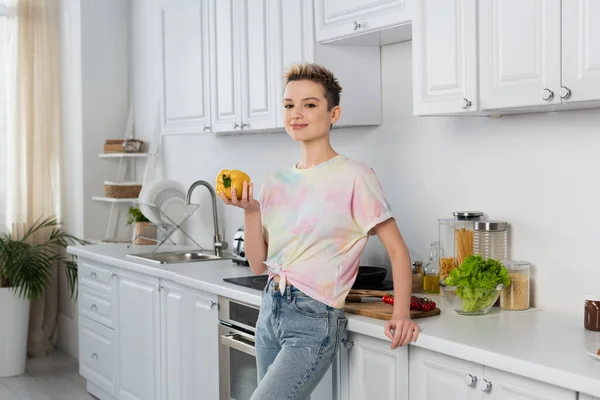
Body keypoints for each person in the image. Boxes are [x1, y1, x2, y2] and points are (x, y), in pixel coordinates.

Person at [219, 63, 419, 400]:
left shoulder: (355, 175)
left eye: (309, 104)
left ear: (333, 113)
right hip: (270, 310)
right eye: (288, 105)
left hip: (314, 318)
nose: (296, 114)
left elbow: (397, 250)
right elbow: (258, 265)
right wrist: (251, 211)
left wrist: (401, 314)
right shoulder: (275, 181)